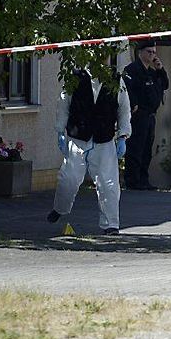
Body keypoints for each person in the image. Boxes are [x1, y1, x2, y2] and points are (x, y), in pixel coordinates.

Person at [47, 64, 131, 235]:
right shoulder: (75, 77)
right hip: (77, 138)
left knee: (109, 184)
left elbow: (124, 109)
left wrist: (123, 135)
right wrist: (60, 130)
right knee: (69, 179)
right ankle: (60, 209)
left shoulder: (116, 79)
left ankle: (111, 224)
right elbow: (64, 104)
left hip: (104, 139)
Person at [123, 41, 169, 190]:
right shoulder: (132, 70)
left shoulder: (152, 72)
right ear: (140, 52)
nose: (152, 55)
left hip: (150, 116)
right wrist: (134, 104)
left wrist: (160, 69)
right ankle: (132, 180)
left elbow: (165, 84)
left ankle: (143, 179)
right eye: (149, 52)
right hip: (139, 115)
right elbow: (127, 89)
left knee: (146, 149)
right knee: (135, 148)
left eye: (154, 52)